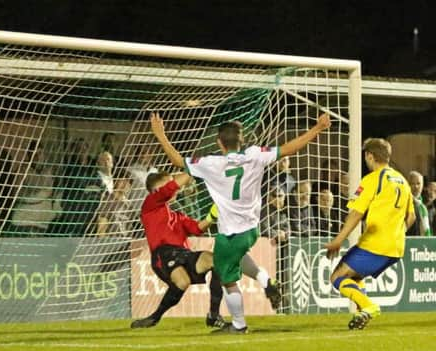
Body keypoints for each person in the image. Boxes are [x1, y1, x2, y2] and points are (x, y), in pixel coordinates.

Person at [151, 111, 330, 333]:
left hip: (231, 233)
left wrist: (160, 135)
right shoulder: (255, 155)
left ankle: (238, 324)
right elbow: (289, 148)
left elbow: (177, 161)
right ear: (242, 140)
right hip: (252, 229)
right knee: (235, 258)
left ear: (219, 142)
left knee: (227, 279)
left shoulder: (210, 163)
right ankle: (266, 282)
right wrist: (317, 129)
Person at [130, 171, 281, 329]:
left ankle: (213, 315)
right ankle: (154, 317)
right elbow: (172, 187)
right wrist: (193, 168)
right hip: (164, 254)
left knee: (217, 262)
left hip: (183, 253)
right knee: (183, 282)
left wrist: (211, 217)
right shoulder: (150, 204)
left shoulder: (177, 215)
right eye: (168, 183)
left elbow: (196, 229)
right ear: (156, 190)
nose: (174, 187)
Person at [325, 138, 415, 330]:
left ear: (370, 156)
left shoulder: (372, 179)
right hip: (396, 246)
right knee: (355, 277)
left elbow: (356, 213)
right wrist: (396, 232)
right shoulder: (402, 181)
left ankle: (368, 306)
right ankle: (361, 316)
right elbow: (411, 217)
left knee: (337, 277)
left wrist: (338, 240)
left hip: (375, 243)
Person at [406, 171, 431, 236]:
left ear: (422, 185)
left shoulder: (423, 206)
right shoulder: (405, 203)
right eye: (412, 183)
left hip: (423, 244)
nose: (416, 186)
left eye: (418, 183)